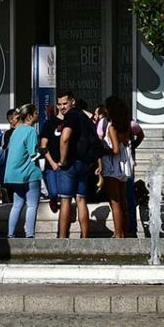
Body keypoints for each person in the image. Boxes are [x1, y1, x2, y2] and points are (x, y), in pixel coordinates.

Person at [57, 91, 92, 238]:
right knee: (81, 200)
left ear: (73, 101)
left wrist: (63, 160)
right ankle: (84, 237)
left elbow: (65, 138)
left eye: (65, 103)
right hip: (84, 163)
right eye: (59, 104)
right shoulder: (84, 116)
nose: (62, 107)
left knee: (65, 200)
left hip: (70, 163)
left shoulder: (70, 116)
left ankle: (62, 237)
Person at [5, 104, 43, 238]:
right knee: (32, 205)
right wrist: (43, 151)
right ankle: (30, 235)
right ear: (30, 116)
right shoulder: (31, 131)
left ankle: (10, 234)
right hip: (30, 172)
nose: (38, 114)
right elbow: (33, 154)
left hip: (14, 174)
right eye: (36, 112)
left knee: (17, 204)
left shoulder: (16, 130)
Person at [97, 96, 130, 238]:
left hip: (112, 166)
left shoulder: (111, 127)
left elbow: (115, 150)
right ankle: (125, 232)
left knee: (114, 202)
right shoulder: (126, 125)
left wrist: (103, 150)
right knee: (123, 202)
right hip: (124, 165)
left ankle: (118, 234)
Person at [40, 103, 63, 216]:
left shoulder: (71, 122)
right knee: (53, 192)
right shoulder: (49, 124)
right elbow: (43, 146)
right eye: (61, 104)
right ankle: (53, 201)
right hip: (51, 164)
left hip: (66, 165)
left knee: (64, 194)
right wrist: (52, 163)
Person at [127, 119, 145, 237]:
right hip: (123, 163)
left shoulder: (130, 123)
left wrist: (133, 146)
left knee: (128, 196)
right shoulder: (106, 123)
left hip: (127, 162)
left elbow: (140, 135)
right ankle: (128, 229)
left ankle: (131, 229)